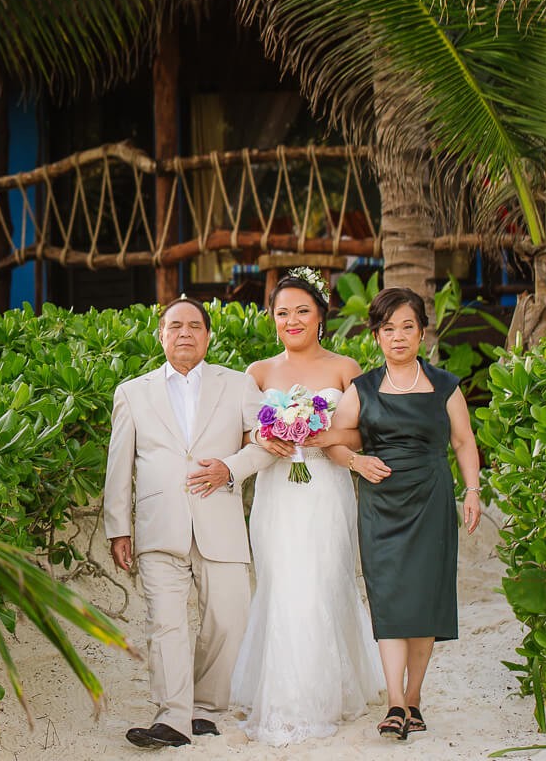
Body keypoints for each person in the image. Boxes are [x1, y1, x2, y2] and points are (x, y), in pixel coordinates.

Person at [306, 286, 482, 741]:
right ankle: (394, 703)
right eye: (389, 329)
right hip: (381, 502)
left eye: (407, 327)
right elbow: (332, 439)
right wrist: (357, 462)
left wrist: (473, 491)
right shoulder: (363, 388)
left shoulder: (445, 385)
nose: (398, 336)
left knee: (425, 600)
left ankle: (415, 698)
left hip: (431, 498)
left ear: (421, 333)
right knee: (387, 596)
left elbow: (463, 441)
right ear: (377, 336)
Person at [103, 296, 274, 749]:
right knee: (167, 624)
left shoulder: (238, 385)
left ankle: (207, 709)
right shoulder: (132, 392)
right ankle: (172, 717)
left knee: (228, 618)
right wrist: (119, 527)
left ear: (208, 336)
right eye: (175, 326)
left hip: (219, 518)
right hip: (160, 526)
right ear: (160, 335)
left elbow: (266, 443)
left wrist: (229, 468)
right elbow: (119, 464)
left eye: (194, 326)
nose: (184, 333)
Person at [229, 269, 383, 745]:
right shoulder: (257, 373)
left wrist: (321, 433)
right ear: (272, 319)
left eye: (302, 311)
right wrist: (263, 434)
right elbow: (239, 435)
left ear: (321, 316)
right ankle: (285, 696)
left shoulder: (345, 368)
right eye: (282, 313)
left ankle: (320, 696)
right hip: (276, 494)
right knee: (281, 586)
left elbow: (364, 432)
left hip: (326, 487)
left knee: (321, 582)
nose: (291, 320)